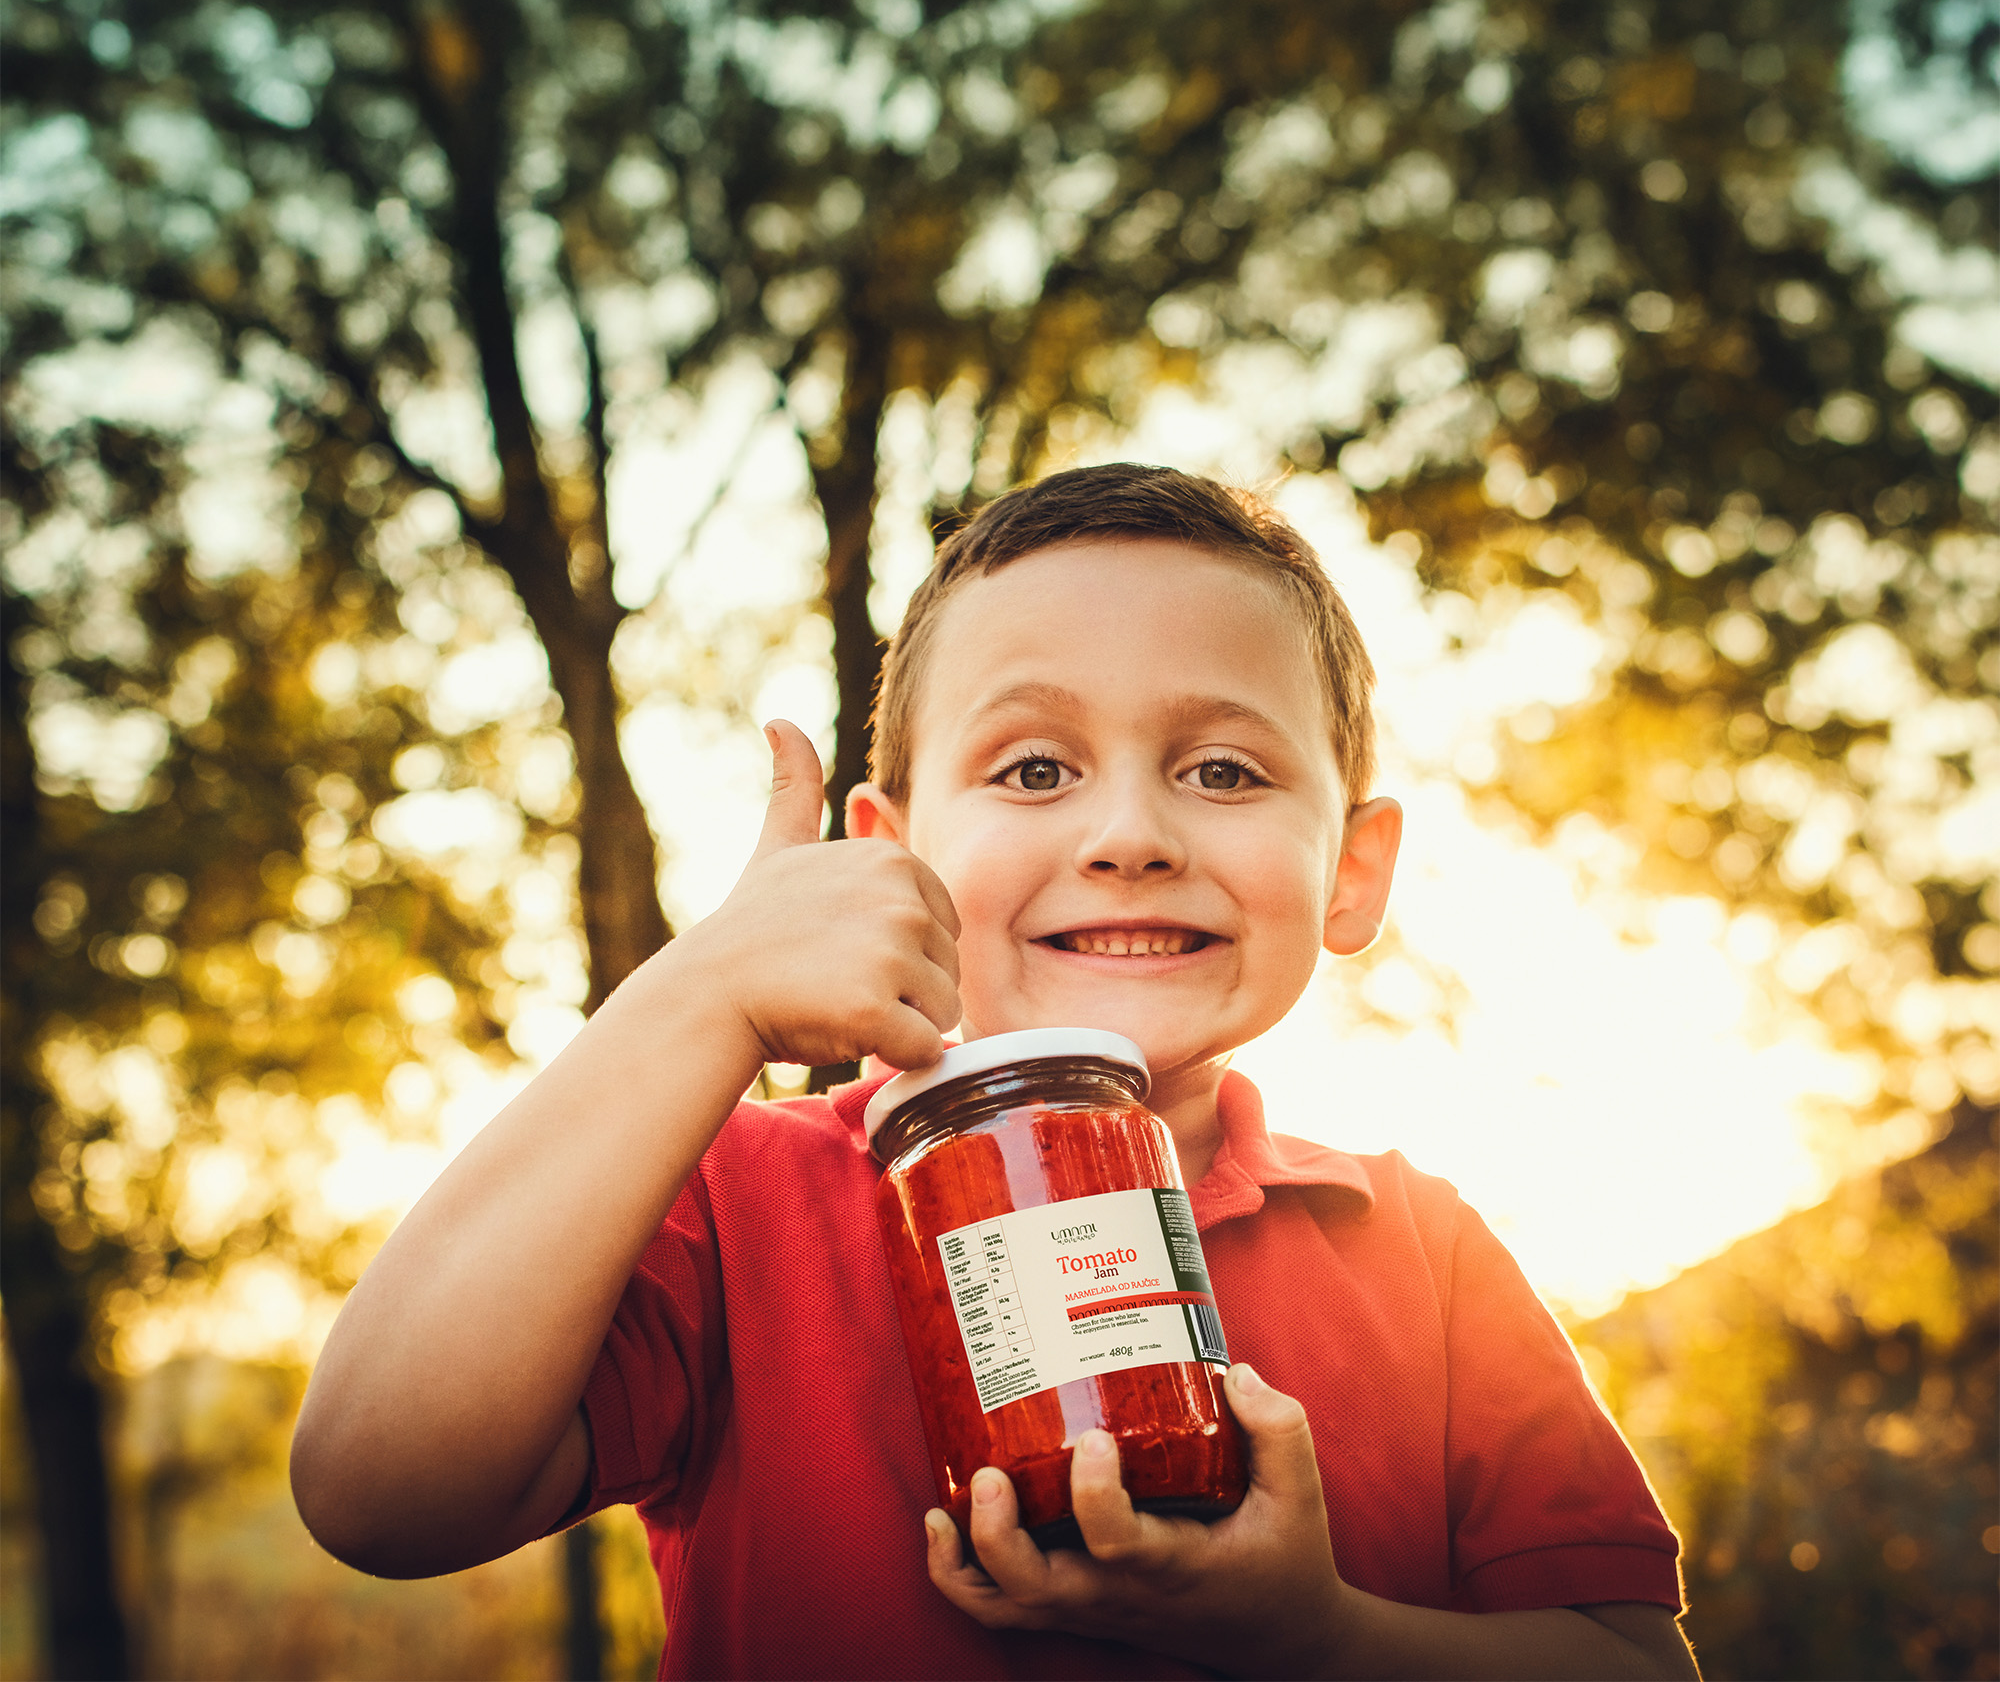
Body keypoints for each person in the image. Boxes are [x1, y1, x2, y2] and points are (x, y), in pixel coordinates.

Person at [292, 463, 1698, 1680]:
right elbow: (377, 1488)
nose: (1130, 833)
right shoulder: (741, 1196)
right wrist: (699, 993)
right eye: (1034, 771)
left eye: (1221, 771)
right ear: (889, 859)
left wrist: (1316, 1641)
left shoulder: (1426, 1255)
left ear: (1353, 869)